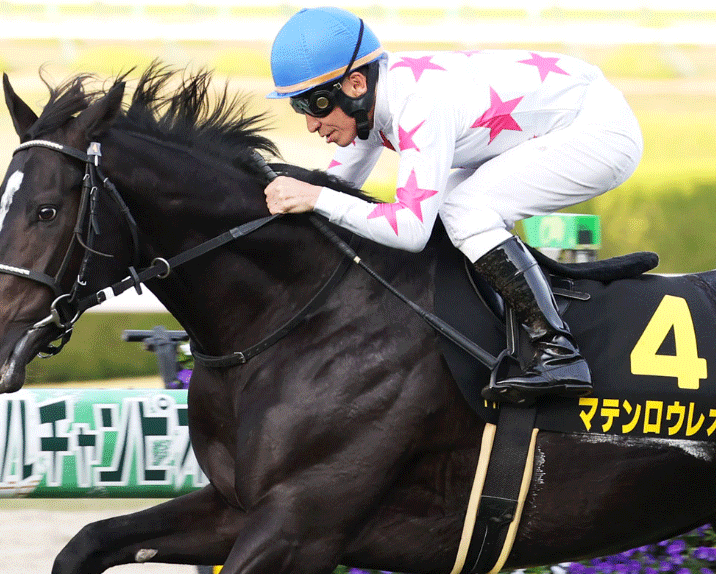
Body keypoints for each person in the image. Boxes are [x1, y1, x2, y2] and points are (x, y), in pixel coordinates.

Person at [263, 6, 643, 405]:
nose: (311, 124)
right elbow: (333, 190)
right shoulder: (370, 103)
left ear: (355, 84)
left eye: (316, 105)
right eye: (299, 107)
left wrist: (316, 197)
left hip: (599, 131)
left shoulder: (417, 105)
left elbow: (407, 229)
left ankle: (558, 352)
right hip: (567, 114)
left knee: (465, 210)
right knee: (448, 205)